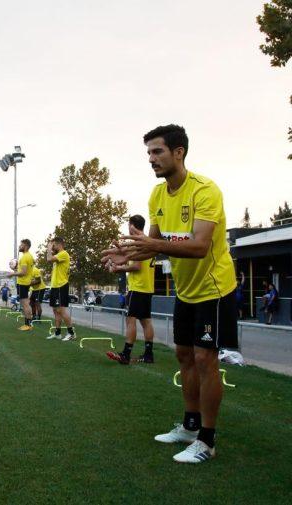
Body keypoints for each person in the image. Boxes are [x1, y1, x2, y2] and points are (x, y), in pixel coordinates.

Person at [102, 124, 237, 464]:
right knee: (184, 356)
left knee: (205, 359)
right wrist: (126, 256)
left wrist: (152, 245)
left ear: (179, 152)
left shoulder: (205, 190)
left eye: (157, 151)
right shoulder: (157, 195)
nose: (151, 158)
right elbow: (152, 245)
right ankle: (190, 428)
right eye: (148, 152)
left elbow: (200, 246)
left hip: (214, 288)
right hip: (186, 291)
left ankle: (207, 441)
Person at [106, 215, 156, 364]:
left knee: (130, 320)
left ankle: (126, 354)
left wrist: (118, 269)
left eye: (129, 224)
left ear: (132, 226)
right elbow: (131, 259)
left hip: (138, 287)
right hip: (147, 288)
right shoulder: (148, 242)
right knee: (146, 321)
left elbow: (136, 266)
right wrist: (119, 251)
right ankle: (148, 355)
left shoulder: (137, 243)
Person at [46, 237, 75, 341]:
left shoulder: (64, 254)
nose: (52, 247)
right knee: (55, 310)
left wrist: (49, 248)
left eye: (53, 245)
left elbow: (49, 259)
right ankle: (57, 333)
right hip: (55, 286)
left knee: (61, 310)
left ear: (59, 244)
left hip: (61, 286)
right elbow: (50, 259)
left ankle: (71, 333)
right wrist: (50, 250)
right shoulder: (58, 255)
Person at [9, 239, 35, 331]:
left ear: (26, 246)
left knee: (25, 304)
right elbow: (24, 271)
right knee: (25, 303)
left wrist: (12, 274)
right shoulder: (29, 256)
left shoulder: (25, 257)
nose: (19, 246)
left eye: (21, 245)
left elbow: (23, 272)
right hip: (25, 282)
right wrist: (16, 270)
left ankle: (28, 325)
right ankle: (28, 324)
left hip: (23, 283)